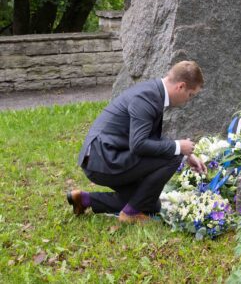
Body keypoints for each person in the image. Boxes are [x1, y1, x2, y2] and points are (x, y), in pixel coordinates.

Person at [66, 60, 207, 223]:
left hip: (106, 154)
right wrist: (178, 148)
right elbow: (139, 144)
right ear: (181, 86)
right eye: (190, 95)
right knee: (172, 156)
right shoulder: (147, 98)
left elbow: (147, 138)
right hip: (103, 160)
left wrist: (186, 155)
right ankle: (131, 214)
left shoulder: (153, 92)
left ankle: (84, 199)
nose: (188, 101)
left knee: (150, 204)